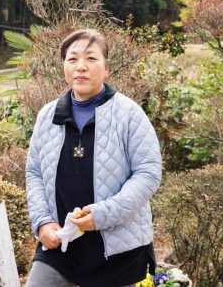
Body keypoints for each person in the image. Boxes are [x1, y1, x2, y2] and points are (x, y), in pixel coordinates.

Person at [25, 29, 162, 287]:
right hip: (61, 245)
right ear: (64, 66)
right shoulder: (47, 115)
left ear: (106, 68)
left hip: (117, 249)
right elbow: (34, 173)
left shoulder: (129, 114)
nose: (81, 67)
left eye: (91, 59)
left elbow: (148, 173)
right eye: (72, 59)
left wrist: (102, 215)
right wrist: (43, 222)